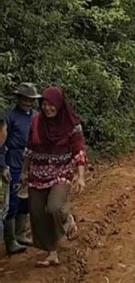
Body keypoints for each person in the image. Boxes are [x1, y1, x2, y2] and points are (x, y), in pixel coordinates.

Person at [22, 87, 87, 267]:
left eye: (51, 104)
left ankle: (67, 221)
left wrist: (80, 176)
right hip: (38, 174)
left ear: (59, 104)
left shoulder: (72, 125)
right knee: (36, 213)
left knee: (54, 208)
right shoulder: (36, 122)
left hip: (61, 172)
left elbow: (79, 151)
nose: (47, 108)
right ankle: (52, 252)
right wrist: (24, 172)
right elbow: (29, 149)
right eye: (44, 104)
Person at [0, 83, 41, 255]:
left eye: (30, 99)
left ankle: (21, 233)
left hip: (31, 162)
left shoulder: (37, 117)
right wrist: (3, 166)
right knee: (12, 202)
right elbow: (1, 144)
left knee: (26, 199)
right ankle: (10, 241)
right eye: (24, 99)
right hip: (13, 162)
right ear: (18, 99)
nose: (27, 102)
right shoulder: (9, 117)